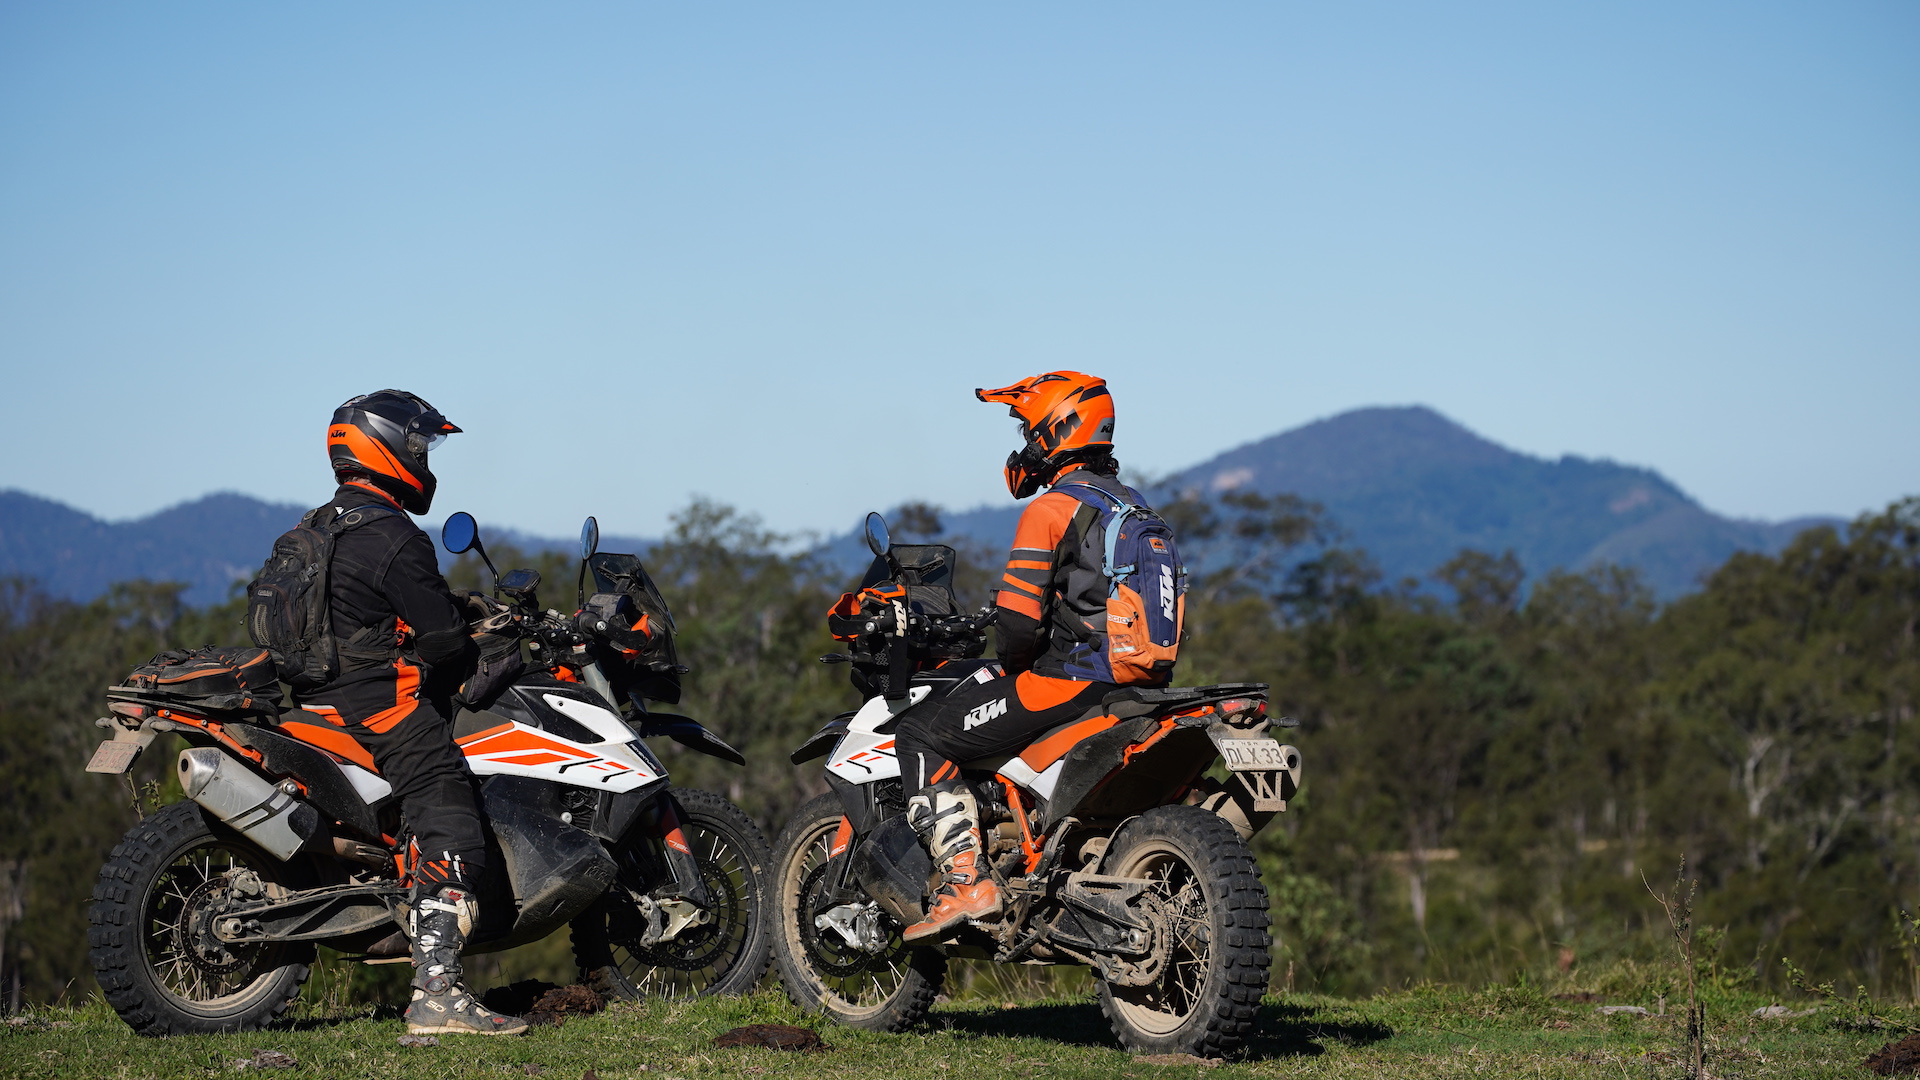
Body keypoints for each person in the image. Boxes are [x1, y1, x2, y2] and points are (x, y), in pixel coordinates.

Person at [893, 371, 1174, 943]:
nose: (1025, 445)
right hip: (1140, 685)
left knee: (920, 733)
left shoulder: (1053, 508)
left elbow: (1019, 626)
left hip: (1072, 681)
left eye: (1028, 430)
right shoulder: (1135, 506)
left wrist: (1012, 655)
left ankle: (967, 882)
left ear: (1055, 430)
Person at [280, 390, 527, 1036]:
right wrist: (479, 650)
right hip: (379, 710)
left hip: (311, 706)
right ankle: (437, 995)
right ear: (390, 449)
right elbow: (444, 643)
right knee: (449, 812)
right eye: (421, 446)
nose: (425, 459)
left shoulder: (313, 527)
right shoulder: (392, 536)